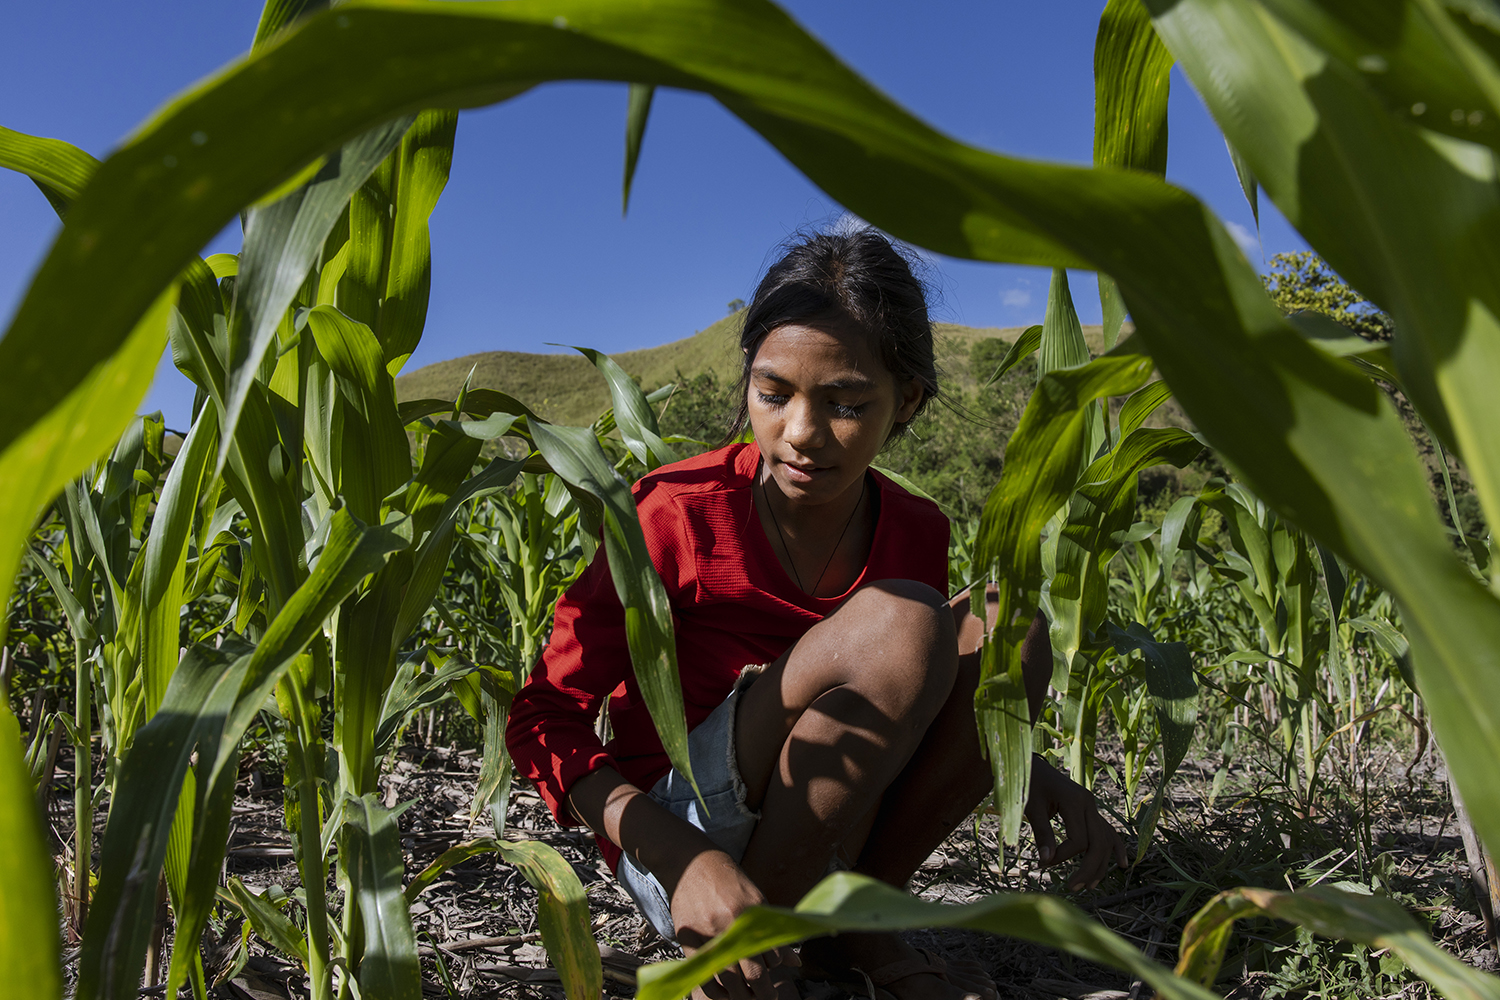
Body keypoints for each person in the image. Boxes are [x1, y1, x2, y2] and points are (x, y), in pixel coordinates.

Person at [506, 229, 1127, 1000]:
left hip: (834, 835)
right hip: (684, 848)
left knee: (1007, 625)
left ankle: (852, 925)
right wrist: (678, 856)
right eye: (773, 395)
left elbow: (900, 704)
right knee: (906, 623)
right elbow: (542, 717)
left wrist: (1023, 765)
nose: (800, 433)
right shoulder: (674, 512)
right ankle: (753, 949)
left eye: (846, 404)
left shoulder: (915, 531)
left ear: (907, 401)